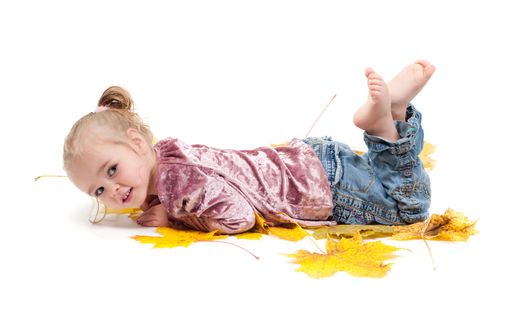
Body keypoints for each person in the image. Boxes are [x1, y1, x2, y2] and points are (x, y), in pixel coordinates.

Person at [63, 60, 435, 233]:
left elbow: (238, 217)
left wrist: (176, 218)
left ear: (136, 144)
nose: (111, 189)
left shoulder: (177, 188)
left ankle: (383, 127)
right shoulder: (169, 154)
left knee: (408, 208)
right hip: (308, 160)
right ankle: (396, 113)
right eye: (98, 190)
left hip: (320, 189)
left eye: (111, 170)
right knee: (380, 177)